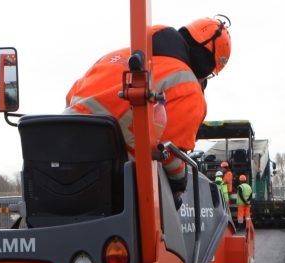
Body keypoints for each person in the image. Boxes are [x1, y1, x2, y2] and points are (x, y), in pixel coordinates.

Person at [66, 17, 232, 201]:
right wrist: (180, 179)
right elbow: (167, 153)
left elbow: (71, 99)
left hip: (59, 164)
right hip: (111, 189)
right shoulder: (189, 88)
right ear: (205, 67)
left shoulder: (113, 57)